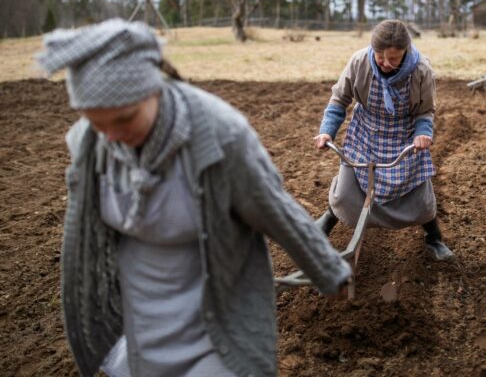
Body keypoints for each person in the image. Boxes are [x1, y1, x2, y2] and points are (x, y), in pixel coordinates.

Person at [37, 19, 351, 377]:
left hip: (212, 318)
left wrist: (328, 271)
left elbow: (275, 208)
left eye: (123, 120)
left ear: (153, 89)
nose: (109, 137)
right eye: (96, 123)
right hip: (136, 324)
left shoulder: (219, 135)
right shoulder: (89, 144)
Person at [312, 19, 454, 261]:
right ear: (372, 49)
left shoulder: (421, 70)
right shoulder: (359, 62)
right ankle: (328, 219)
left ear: (405, 52)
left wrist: (423, 133)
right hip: (365, 133)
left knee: (420, 196)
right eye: (380, 57)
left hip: (404, 136)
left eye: (394, 59)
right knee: (346, 191)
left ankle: (434, 239)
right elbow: (339, 101)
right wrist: (327, 131)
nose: (386, 64)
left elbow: (425, 111)